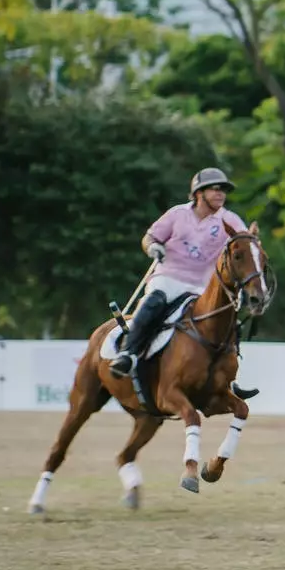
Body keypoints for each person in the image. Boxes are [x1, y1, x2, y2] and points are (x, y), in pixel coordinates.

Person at [111, 168, 255, 408]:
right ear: (199, 193)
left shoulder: (229, 219)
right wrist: (153, 248)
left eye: (224, 190)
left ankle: (230, 379)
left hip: (203, 285)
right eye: (215, 189)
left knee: (227, 322)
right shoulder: (177, 214)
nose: (221, 194)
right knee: (153, 303)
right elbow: (149, 238)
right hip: (169, 277)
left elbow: (245, 243)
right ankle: (128, 354)